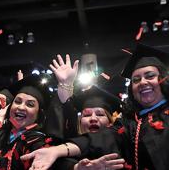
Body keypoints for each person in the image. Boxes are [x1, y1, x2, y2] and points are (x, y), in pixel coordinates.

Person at [22, 44, 169, 170]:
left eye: (150, 76)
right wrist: (57, 151)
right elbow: (98, 138)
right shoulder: (130, 124)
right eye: (136, 79)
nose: (142, 82)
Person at [0, 73, 59, 170]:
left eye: (30, 104)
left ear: (38, 114)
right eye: (17, 101)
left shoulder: (38, 143)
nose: (21, 107)